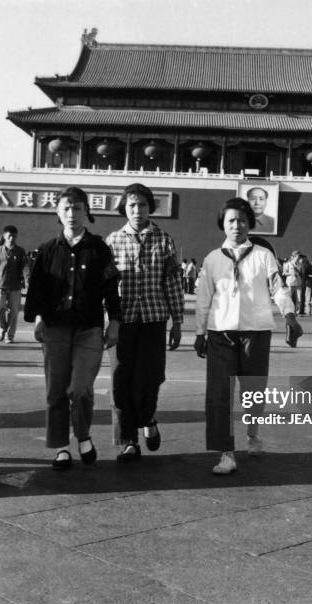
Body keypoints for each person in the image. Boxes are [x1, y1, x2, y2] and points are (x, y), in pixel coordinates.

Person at [195, 198, 302, 475]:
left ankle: (253, 434)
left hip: (256, 334)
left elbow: (278, 288)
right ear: (223, 224)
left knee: (253, 392)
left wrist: (289, 315)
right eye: (231, 220)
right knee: (219, 395)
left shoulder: (263, 256)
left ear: (250, 224)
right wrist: (199, 332)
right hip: (221, 334)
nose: (236, 225)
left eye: (242, 220)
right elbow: (204, 298)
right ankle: (226, 453)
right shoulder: (212, 259)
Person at [24, 187, 120, 469]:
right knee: (55, 390)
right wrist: (38, 318)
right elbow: (38, 290)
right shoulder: (47, 250)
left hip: (88, 329)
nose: (71, 214)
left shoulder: (100, 249)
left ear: (86, 212)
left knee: (80, 389)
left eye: (77, 208)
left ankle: (83, 434)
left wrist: (114, 321)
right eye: (66, 208)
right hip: (55, 328)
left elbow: (111, 289)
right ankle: (62, 447)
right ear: (57, 212)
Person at [106, 183, 184, 462]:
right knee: (120, 381)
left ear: (151, 207)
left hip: (153, 319)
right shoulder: (112, 241)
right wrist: (106, 320)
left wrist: (177, 322)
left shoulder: (165, 240)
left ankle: (148, 418)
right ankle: (128, 441)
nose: (137, 210)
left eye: (141, 205)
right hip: (122, 321)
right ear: (123, 209)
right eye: (131, 205)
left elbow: (173, 283)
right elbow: (105, 286)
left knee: (152, 377)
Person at [0, 225, 28, 343]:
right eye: (10, 235)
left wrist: (27, 282)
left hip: (15, 286)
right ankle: (2, 328)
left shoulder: (20, 251)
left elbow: (25, 268)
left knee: (14, 311)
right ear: (5, 236)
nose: (12, 238)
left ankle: (9, 336)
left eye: (14, 236)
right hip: (0, 285)